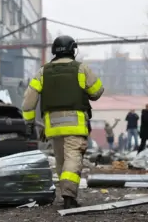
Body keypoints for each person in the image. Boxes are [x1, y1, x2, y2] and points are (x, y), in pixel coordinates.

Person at [21, 35, 104, 209]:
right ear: (73, 50)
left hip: (53, 127)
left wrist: (29, 122)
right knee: (72, 159)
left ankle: (67, 194)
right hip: (75, 125)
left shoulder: (43, 71)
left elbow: (29, 100)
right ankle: (68, 196)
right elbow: (97, 91)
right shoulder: (81, 69)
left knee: (61, 161)